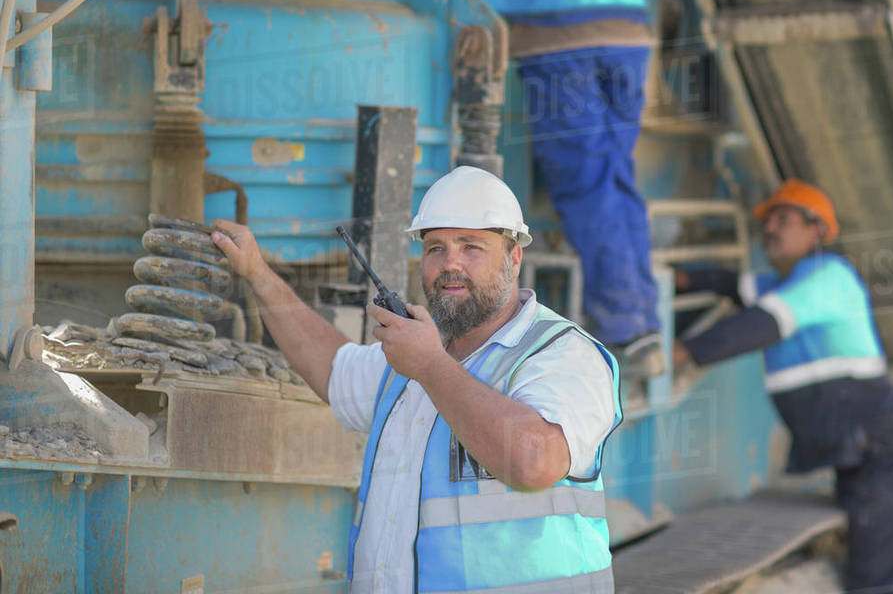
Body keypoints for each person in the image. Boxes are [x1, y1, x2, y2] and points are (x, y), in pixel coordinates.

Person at [212, 165, 622, 593]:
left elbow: (534, 463)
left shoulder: (561, 354)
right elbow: (332, 369)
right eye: (435, 249)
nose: (451, 265)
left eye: (471, 247)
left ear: (514, 257)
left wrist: (430, 366)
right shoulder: (414, 356)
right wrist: (257, 273)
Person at [673, 180, 893, 594]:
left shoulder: (829, 277)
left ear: (817, 231)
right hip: (864, 457)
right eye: (769, 221)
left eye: (784, 219)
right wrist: (681, 279)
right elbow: (729, 284)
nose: (771, 229)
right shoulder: (782, 284)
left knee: (881, 581)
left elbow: (762, 323)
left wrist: (684, 350)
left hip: (884, 455)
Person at [482, 0, 663, 376]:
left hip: (559, 31)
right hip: (626, 31)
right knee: (614, 179)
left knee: (586, 184)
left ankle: (626, 330)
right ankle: (642, 322)